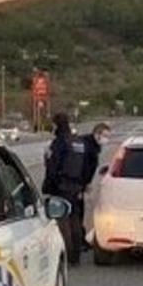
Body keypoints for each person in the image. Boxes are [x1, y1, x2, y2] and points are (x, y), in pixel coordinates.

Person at [43, 113, 86, 265]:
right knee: (75, 219)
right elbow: (85, 165)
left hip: (62, 186)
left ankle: (66, 255)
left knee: (63, 220)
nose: (52, 127)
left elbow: (52, 166)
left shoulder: (59, 143)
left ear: (57, 124)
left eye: (53, 124)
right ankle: (76, 255)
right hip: (76, 186)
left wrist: (49, 186)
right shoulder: (78, 141)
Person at [78, 123, 112, 244]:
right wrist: (82, 185)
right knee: (76, 212)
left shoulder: (92, 146)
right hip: (76, 184)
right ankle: (78, 241)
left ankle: (79, 239)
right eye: (105, 136)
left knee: (79, 212)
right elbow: (83, 167)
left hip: (80, 184)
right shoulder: (88, 147)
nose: (106, 140)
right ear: (97, 134)